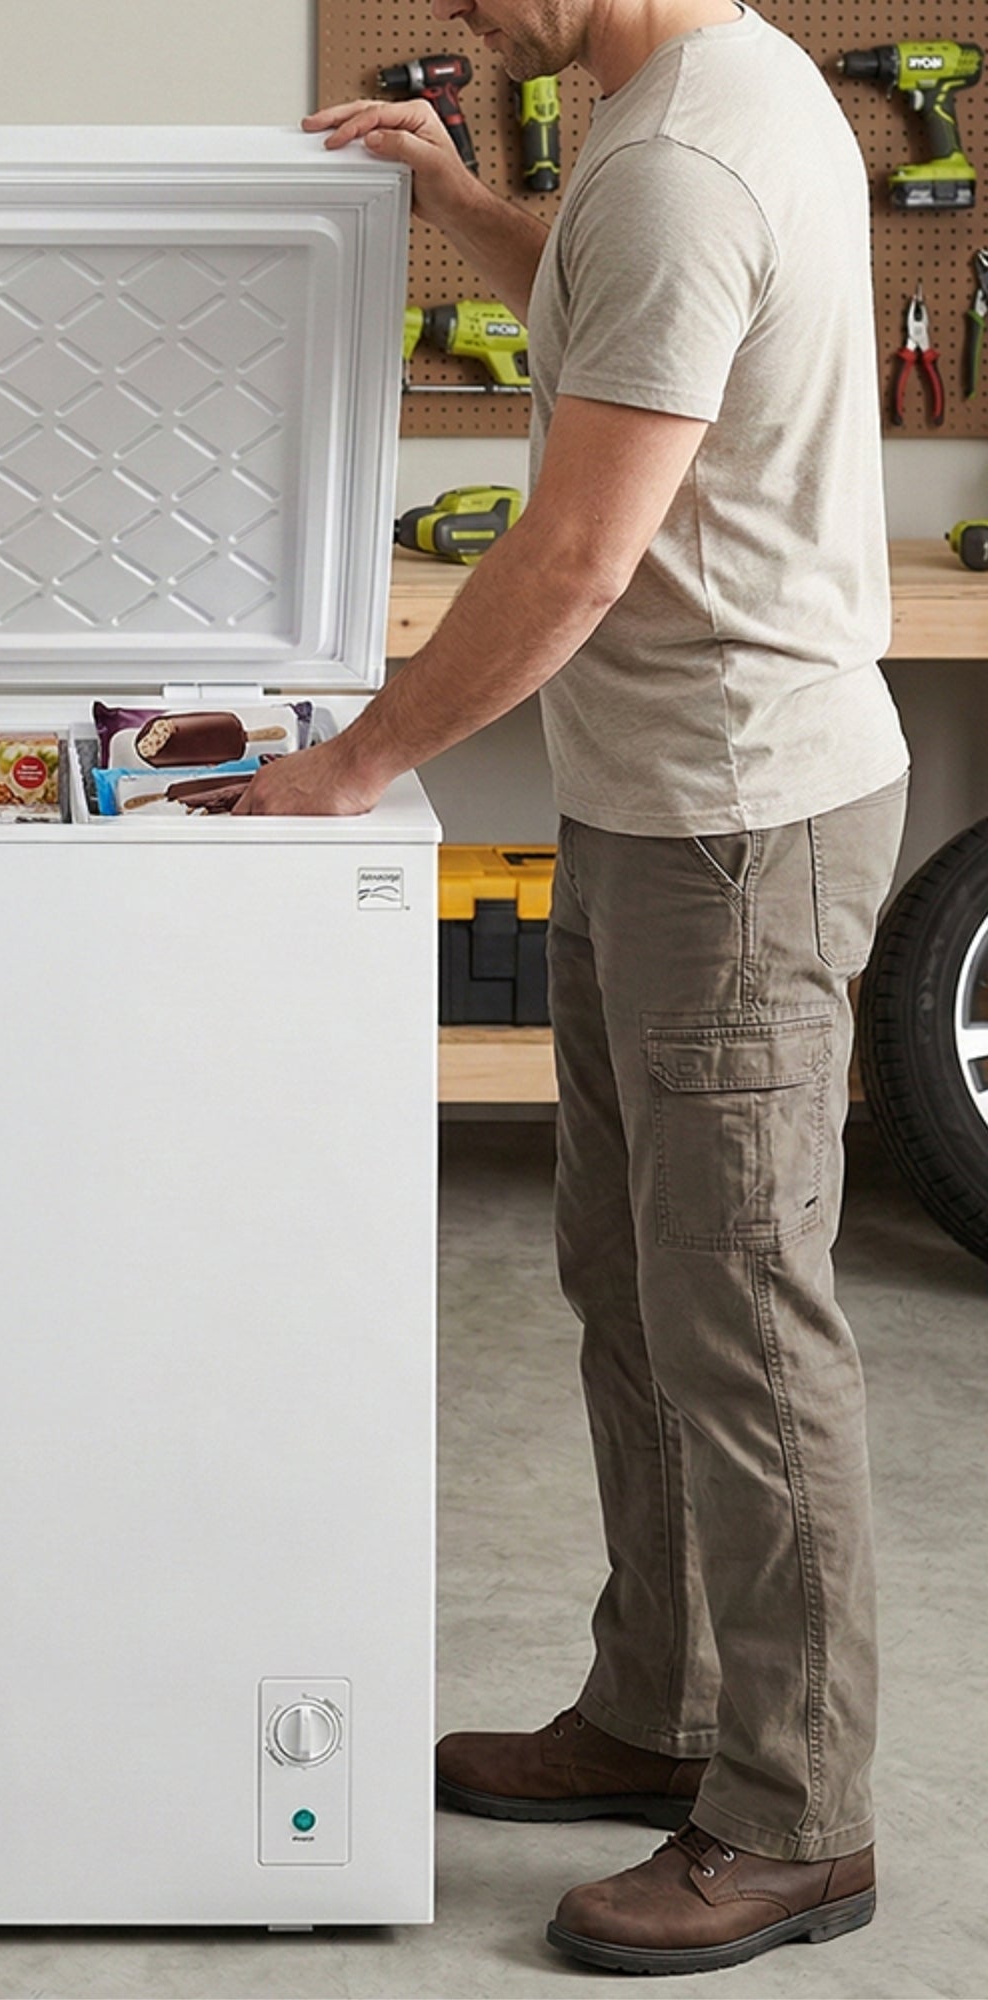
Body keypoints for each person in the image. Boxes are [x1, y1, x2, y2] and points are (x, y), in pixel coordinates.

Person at [237, 0, 911, 1976]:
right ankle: (663, 1703)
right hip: (657, 804)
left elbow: (574, 552)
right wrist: (461, 197)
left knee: (747, 1327)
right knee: (631, 1280)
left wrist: (350, 765)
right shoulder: (658, 107)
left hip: (735, 823)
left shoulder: (696, 149)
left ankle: (795, 1814)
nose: (458, 10)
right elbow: (608, 303)